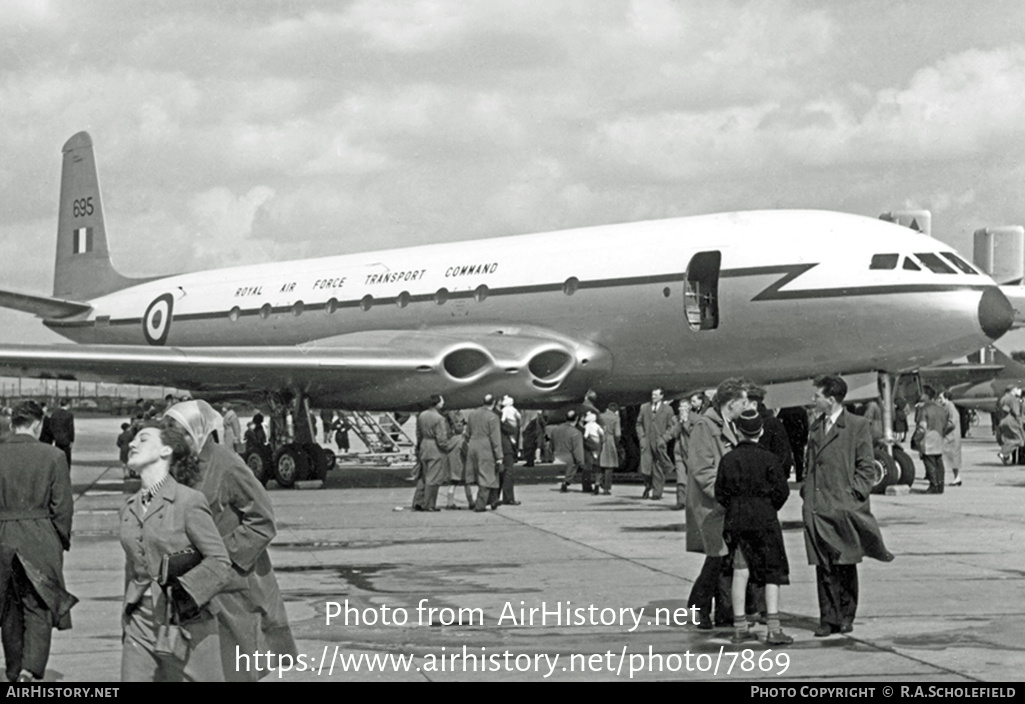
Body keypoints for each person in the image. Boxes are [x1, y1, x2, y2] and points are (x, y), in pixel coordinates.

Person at [163, 400, 297, 681]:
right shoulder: (177, 467)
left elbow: (263, 521)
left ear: (198, 432)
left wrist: (219, 557)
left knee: (234, 670)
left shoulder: (226, 464)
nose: (177, 443)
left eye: (183, 435)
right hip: (192, 587)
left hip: (231, 588)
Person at [119, 423, 232, 681]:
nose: (132, 444)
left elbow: (220, 562)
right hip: (140, 622)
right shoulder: (128, 508)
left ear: (166, 450)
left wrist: (185, 591)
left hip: (188, 621)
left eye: (143, 439)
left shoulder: (188, 501)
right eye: (132, 440)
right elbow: (133, 567)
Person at [803, 375, 894, 637]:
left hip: (843, 506)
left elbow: (866, 466)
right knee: (824, 564)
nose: (813, 400)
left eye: (817, 396)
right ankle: (827, 618)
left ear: (830, 400)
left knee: (845, 561)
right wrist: (808, 496)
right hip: (818, 506)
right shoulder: (816, 426)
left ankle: (845, 615)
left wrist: (853, 496)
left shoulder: (856, 425)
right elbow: (810, 464)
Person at [0, 401, 75, 682]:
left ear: (12, 425)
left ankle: (13, 670)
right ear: (38, 425)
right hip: (40, 537)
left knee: (9, 609)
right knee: (39, 606)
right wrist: (59, 541)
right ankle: (30, 670)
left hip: (3, 537)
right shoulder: (54, 456)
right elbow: (62, 508)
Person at [715, 409, 792, 646]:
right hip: (765, 519)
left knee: (740, 571)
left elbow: (720, 493)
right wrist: (768, 507)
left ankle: (739, 628)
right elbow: (782, 492)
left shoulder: (728, 459)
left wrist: (737, 506)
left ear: (738, 431)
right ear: (760, 431)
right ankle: (773, 628)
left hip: (737, 520)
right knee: (772, 572)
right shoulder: (770, 459)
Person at [686, 378, 750, 629]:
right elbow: (703, 470)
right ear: (731, 403)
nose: (746, 407)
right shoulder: (705, 426)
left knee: (723, 559)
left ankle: (721, 612)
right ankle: (699, 607)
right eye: (743, 402)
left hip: (724, 505)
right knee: (716, 558)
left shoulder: (729, 424)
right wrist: (726, 495)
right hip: (711, 505)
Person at [412, 395, 460, 512]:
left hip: (424, 445)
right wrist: (447, 448)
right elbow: (441, 438)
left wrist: (419, 446)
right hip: (435, 448)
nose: (443, 403)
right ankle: (429, 504)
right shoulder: (439, 418)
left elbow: (418, 433)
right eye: (442, 401)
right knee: (434, 478)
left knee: (424, 476)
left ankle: (418, 501)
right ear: (438, 404)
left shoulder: (422, 415)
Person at [636, 388, 677, 500]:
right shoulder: (644, 408)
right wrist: (642, 438)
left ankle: (657, 493)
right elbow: (639, 424)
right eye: (652, 395)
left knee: (658, 467)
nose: (653, 397)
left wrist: (664, 439)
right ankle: (647, 485)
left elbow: (671, 426)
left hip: (659, 442)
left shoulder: (668, 409)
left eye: (656, 395)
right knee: (645, 467)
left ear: (661, 396)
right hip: (647, 441)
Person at [464, 395, 503, 512]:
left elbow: (467, 434)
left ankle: (493, 500)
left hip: (473, 445)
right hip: (486, 447)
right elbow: (495, 438)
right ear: (494, 403)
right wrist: (499, 456)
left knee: (480, 474)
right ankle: (481, 504)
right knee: (487, 475)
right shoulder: (493, 417)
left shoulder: (472, 414)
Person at [913, 386, 949, 494]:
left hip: (928, 440)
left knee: (930, 464)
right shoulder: (941, 409)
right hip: (939, 438)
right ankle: (940, 485)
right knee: (939, 464)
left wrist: (916, 439)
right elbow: (946, 425)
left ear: (926, 395)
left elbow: (922, 427)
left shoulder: (924, 409)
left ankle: (933, 486)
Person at [443, 409, 474, 510]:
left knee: (452, 485)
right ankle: (471, 502)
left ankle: (449, 503)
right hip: (462, 467)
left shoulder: (450, 441)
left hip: (452, 466)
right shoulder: (462, 441)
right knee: (467, 485)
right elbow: (467, 453)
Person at [552, 411, 586, 493]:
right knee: (574, 463)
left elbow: (551, 444)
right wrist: (581, 462)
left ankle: (566, 481)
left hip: (556, 455)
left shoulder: (555, 429)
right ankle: (566, 481)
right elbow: (577, 450)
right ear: (577, 418)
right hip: (568, 458)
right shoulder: (576, 433)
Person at [499, 396, 522, 505]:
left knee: (501, 472)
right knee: (508, 472)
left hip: (503, 445)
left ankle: (496, 497)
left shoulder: (502, 412)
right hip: (506, 446)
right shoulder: (503, 415)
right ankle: (508, 497)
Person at [938, 390, 962, 486]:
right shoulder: (947, 407)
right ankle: (956, 477)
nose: (939, 400)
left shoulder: (950, 407)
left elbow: (952, 422)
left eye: (940, 398)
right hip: (949, 436)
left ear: (946, 398)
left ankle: (955, 477)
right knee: (952, 458)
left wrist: (942, 430)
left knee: (949, 457)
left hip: (950, 436)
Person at [598, 403, 622, 495]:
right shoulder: (615, 418)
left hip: (599, 439)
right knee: (609, 465)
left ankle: (597, 483)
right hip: (610, 440)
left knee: (599, 464)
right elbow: (618, 434)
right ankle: (606, 488)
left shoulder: (600, 416)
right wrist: (616, 442)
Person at [996, 385, 1022, 464]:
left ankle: (1006, 457)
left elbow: (1002, 409)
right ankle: (1004, 453)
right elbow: (1015, 412)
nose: (1018, 390)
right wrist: (1019, 421)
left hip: (1002, 420)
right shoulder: (1012, 399)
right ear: (1013, 390)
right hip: (1010, 420)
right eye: (1017, 389)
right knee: (1019, 439)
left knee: (1009, 439)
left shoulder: (1002, 398)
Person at [47, 400, 75, 471]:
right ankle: (66, 473)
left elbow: (51, 427)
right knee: (67, 459)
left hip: (57, 439)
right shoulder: (69, 415)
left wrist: (53, 436)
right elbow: (71, 429)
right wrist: (72, 440)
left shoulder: (54, 414)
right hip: (66, 440)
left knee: (58, 457)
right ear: (68, 405)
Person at [581, 411, 604, 495]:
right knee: (598, 464)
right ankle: (598, 483)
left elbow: (585, 436)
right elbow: (602, 433)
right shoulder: (597, 426)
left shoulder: (587, 426)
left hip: (591, 445)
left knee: (589, 465)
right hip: (597, 444)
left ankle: (588, 485)